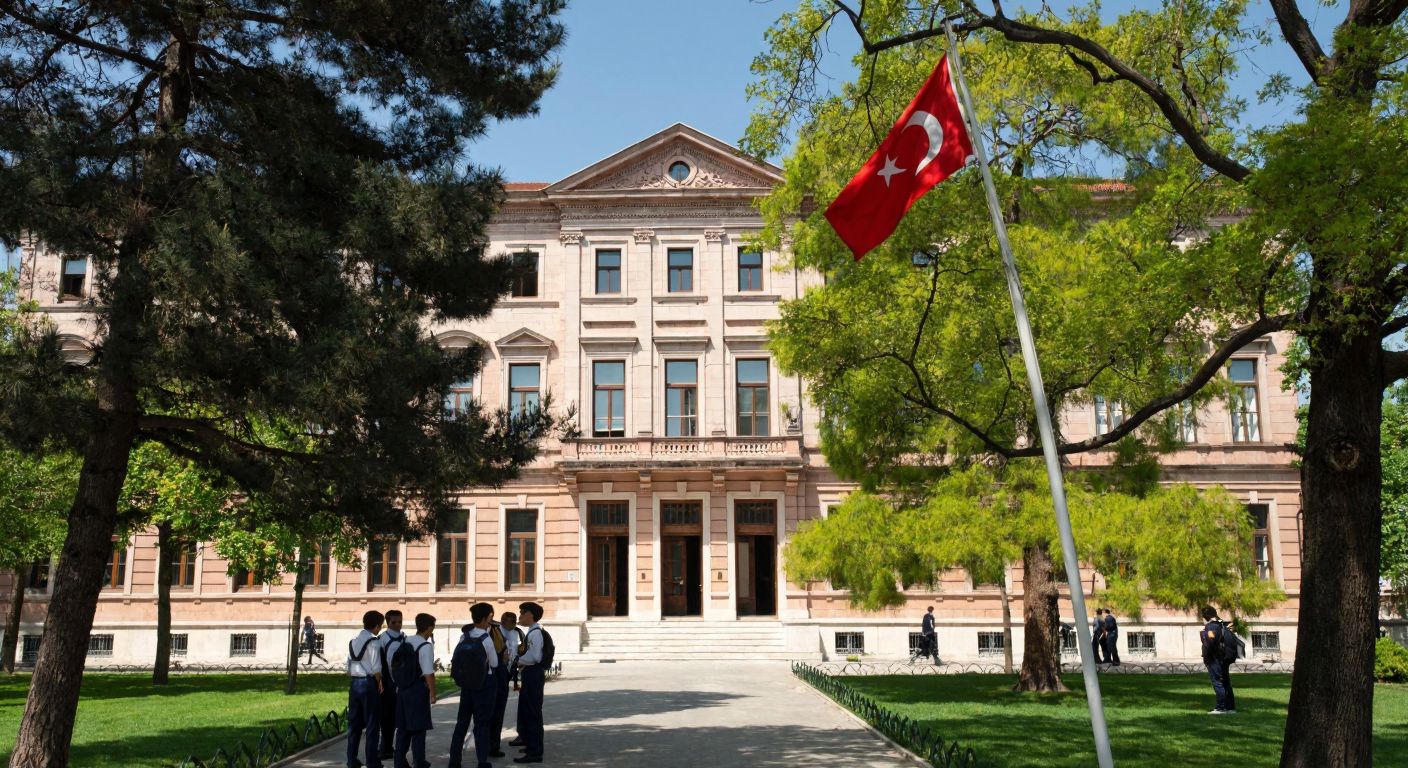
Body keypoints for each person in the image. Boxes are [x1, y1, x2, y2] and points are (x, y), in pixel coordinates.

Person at [448, 602, 498, 768]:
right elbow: (495, 663)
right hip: (484, 684)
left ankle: (454, 760)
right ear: (484, 619)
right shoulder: (486, 639)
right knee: (482, 724)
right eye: (490, 617)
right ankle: (482, 761)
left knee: (461, 722)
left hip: (466, 684)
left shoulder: (464, 636)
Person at [393, 613, 437, 768]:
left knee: (403, 728)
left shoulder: (407, 641)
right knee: (418, 728)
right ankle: (419, 761)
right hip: (418, 689)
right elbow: (428, 673)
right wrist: (433, 693)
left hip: (403, 688)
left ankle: (399, 761)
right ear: (430, 627)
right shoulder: (425, 646)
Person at [346, 610, 385, 768]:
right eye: (380, 626)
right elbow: (376, 669)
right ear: (376, 626)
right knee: (372, 724)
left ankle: (351, 759)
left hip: (354, 684)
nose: (380, 629)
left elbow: (348, 666)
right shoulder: (374, 642)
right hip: (368, 684)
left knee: (354, 724)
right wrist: (380, 682)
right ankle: (372, 760)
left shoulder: (353, 641)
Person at [510, 601, 547, 764]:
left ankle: (535, 752)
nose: (520, 616)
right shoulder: (532, 632)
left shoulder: (535, 633)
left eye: (522, 612)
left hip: (533, 674)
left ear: (530, 614)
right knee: (528, 711)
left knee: (533, 713)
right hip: (530, 674)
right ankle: (531, 745)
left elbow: (535, 657)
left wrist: (517, 659)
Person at [489, 611, 522, 757]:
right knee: (494, 712)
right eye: (511, 621)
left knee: (499, 712)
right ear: (502, 621)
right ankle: (491, 746)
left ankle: (493, 744)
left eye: (515, 621)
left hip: (507, 674)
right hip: (496, 676)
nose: (514, 624)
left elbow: (519, 650)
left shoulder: (517, 633)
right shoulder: (494, 633)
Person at [376, 610, 406, 761]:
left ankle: (387, 747)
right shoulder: (385, 639)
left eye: (400, 621)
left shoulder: (402, 637)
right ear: (388, 623)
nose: (398, 625)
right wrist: (396, 683)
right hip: (390, 684)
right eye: (394, 622)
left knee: (392, 719)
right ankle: (385, 748)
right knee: (387, 719)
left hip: (395, 683)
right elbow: (390, 665)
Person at [1201, 605, 1237, 714]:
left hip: (1215, 658)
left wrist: (1206, 657)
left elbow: (1210, 642)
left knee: (1217, 682)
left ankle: (1220, 708)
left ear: (1205, 616)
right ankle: (1230, 708)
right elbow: (1227, 622)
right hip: (1224, 657)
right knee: (1226, 682)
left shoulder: (1211, 627)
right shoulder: (1221, 624)